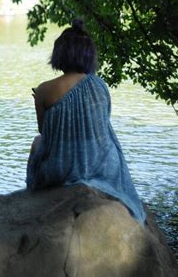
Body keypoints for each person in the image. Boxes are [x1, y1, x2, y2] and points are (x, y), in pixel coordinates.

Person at [26, 18, 146, 225]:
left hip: (59, 169)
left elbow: (45, 132)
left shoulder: (44, 90)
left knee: (37, 141)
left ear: (59, 54)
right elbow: (101, 126)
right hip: (102, 166)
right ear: (89, 55)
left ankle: (31, 196)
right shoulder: (99, 85)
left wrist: (43, 103)